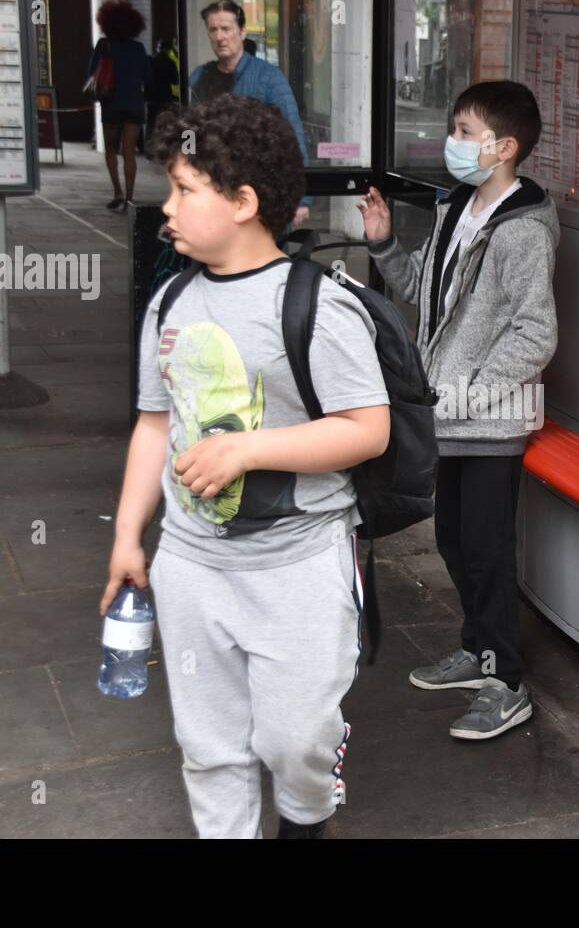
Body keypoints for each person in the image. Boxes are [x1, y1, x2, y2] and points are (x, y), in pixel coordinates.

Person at [102, 93, 390, 838]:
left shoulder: (318, 305)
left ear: (243, 203)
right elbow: (153, 424)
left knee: (297, 743)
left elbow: (368, 429)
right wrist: (130, 537)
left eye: (184, 190)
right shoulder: (168, 300)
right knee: (210, 748)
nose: (165, 207)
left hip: (299, 566)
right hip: (192, 564)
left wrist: (249, 448)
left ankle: (304, 821)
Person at [357, 80, 558, 740]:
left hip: (490, 420)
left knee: (488, 552)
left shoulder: (523, 232)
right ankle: (479, 651)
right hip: (448, 413)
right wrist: (385, 245)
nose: (454, 140)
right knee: (453, 541)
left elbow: (535, 333)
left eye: (467, 131)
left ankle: (506, 684)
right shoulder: (457, 210)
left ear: (504, 147)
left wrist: (471, 387)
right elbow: (424, 293)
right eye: (456, 128)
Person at [190, 0, 310, 227]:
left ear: (242, 32)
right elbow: (190, 131)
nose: (219, 37)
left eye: (226, 29)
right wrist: (188, 170)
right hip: (216, 191)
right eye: (213, 29)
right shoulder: (199, 78)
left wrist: (301, 198)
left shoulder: (268, 78)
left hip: (262, 191)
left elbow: (292, 134)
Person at [86, 0, 150, 210]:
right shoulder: (139, 48)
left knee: (111, 150)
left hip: (111, 103)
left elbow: (92, 74)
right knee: (129, 152)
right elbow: (147, 77)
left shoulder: (104, 46)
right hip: (134, 104)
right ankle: (130, 198)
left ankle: (117, 192)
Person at [145, 37, 179, 149]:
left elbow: (145, 78)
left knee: (150, 124)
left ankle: (149, 150)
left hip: (151, 97)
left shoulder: (150, 60)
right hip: (165, 97)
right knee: (165, 124)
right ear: (168, 50)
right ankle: (162, 149)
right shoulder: (170, 63)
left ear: (157, 48)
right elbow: (175, 80)